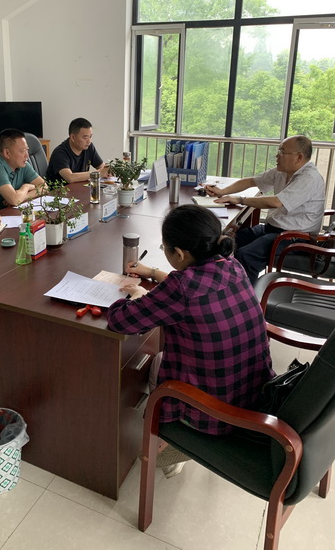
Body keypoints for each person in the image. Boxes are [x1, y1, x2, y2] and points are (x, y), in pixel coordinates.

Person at [107, 205, 274, 477]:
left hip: (217, 412)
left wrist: (137, 296)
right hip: (254, 394)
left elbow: (119, 320)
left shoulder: (181, 288)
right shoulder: (233, 265)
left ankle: (173, 442)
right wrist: (153, 273)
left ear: (180, 253)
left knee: (157, 363)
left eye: (165, 249)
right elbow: (193, 284)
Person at [204, 135, 325, 284]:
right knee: (227, 242)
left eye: (282, 152)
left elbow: (276, 202)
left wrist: (240, 200)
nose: (277, 156)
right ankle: (221, 285)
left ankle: (246, 296)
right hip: (273, 229)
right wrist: (222, 192)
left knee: (246, 255)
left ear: (299, 157)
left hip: (296, 237)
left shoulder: (309, 178)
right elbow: (251, 181)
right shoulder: (282, 171)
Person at [0, 128, 46, 213]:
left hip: (5, 213)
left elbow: (44, 187)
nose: (27, 155)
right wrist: (26, 187)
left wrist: (22, 196)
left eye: (27, 150)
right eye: (22, 151)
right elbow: (15, 200)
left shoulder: (22, 164)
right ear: (7, 153)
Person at [45, 117, 109, 183]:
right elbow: (70, 178)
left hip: (80, 187)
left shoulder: (89, 147)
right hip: (61, 189)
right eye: (85, 138)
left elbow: (102, 168)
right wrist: (98, 173)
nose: (89, 141)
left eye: (90, 137)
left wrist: (108, 171)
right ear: (73, 137)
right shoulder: (60, 153)